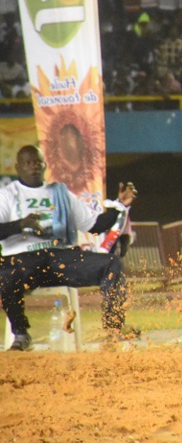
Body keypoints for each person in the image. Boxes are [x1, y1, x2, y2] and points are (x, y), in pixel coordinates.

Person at [0, 145, 139, 351]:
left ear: (45, 165)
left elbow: (95, 225)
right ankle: (21, 334)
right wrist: (20, 224)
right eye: (28, 163)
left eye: (38, 162)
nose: (34, 167)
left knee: (111, 263)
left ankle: (114, 329)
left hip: (61, 258)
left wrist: (120, 205)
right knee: (5, 274)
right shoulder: (6, 195)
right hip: (23, 260)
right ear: (18, 167)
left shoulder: (61, 193)